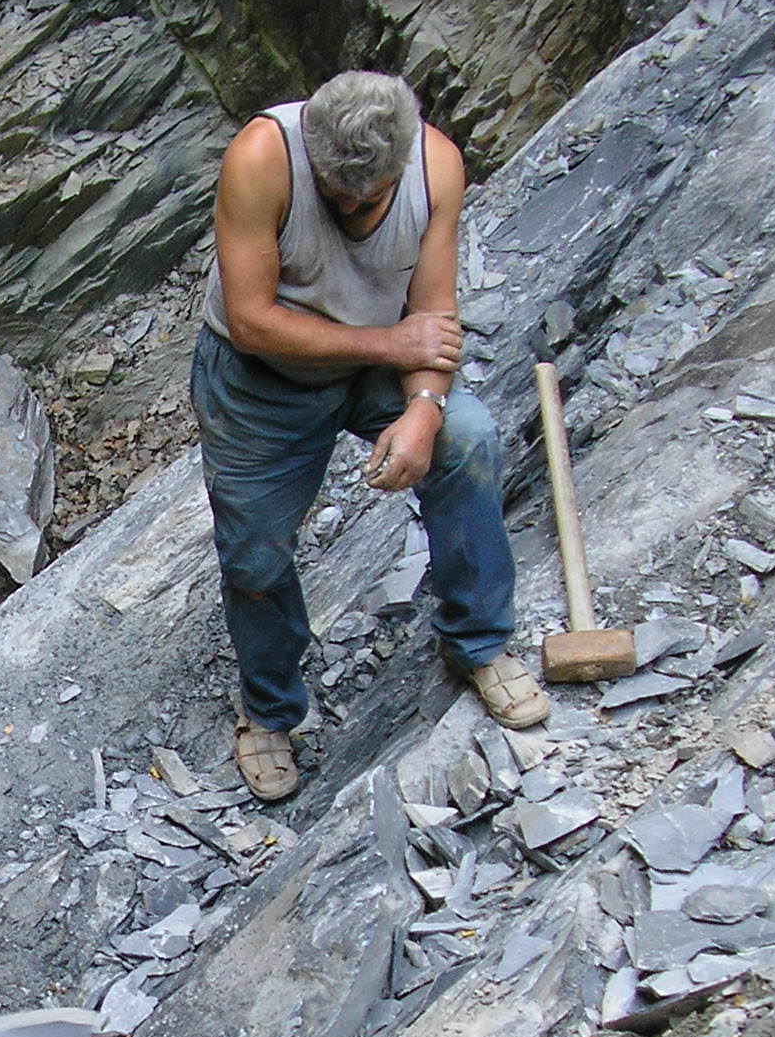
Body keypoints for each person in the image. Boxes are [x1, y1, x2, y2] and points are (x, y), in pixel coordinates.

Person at [193, 69, 548, 803]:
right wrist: (392, 348)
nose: (353, 208)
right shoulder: (262, 158)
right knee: (254, 555)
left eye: (370, 197)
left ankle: (477, 641)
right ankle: (269, 709)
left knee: (468, 437)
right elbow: (254, 319)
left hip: (380, 358)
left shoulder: (436, 165)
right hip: (264, 380)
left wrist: (422, 409)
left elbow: (435, 310)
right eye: (336, 193)